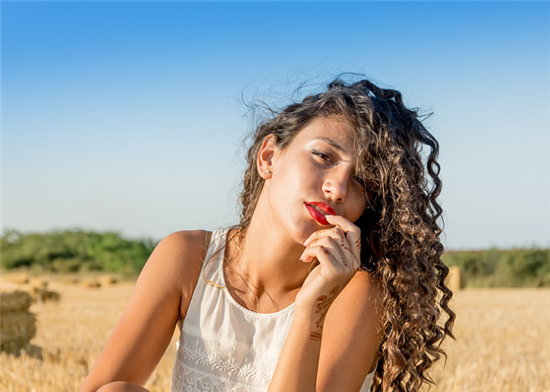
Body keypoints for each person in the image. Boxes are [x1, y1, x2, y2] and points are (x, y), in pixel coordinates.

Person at [80, 77, 455, 392]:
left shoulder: (356, 295)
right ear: (269, 158)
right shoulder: (187, 256)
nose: (338, 189)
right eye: (324, 156)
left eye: (363, 181)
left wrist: (313, 309)